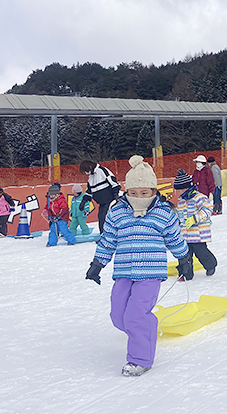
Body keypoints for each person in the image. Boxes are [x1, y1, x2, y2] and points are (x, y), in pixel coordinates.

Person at [85, 155, 189, 377]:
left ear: (154, 191)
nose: (138, 197)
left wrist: (184, 259)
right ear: (126, 191)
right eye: (133, 193)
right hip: (123, 271)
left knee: (136, 315)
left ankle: (140, 359)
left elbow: (174, 239)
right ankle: (145, 329)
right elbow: (108, 240)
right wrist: (97, 263)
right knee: (118, 315)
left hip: (150, 273)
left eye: (144, 193)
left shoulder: (163, 213)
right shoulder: (117, 212)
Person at [173, 168, 218, 279]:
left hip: (198, 235)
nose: (178, 192)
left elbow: (207, 210)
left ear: (188, 188)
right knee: (184, 255)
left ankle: (210, 265)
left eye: (181, 190)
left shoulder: (199, 197)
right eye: (177, 190)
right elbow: (180, 218)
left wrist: (194, 218)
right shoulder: (181, 202)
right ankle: (185, 274)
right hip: (185, 235)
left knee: (201, 253)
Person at [79, 160, 121, 234]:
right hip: (102, 202)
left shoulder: (102, 171)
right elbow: (89, 191)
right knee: (101, 218)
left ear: (90, 167)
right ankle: (103, 235)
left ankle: (109, 235)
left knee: (105, 218)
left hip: (110, 200)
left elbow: (113, 182)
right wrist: (84, 201)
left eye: (86, 171)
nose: (86, 173)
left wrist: (115, 194)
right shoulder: (91, 177)